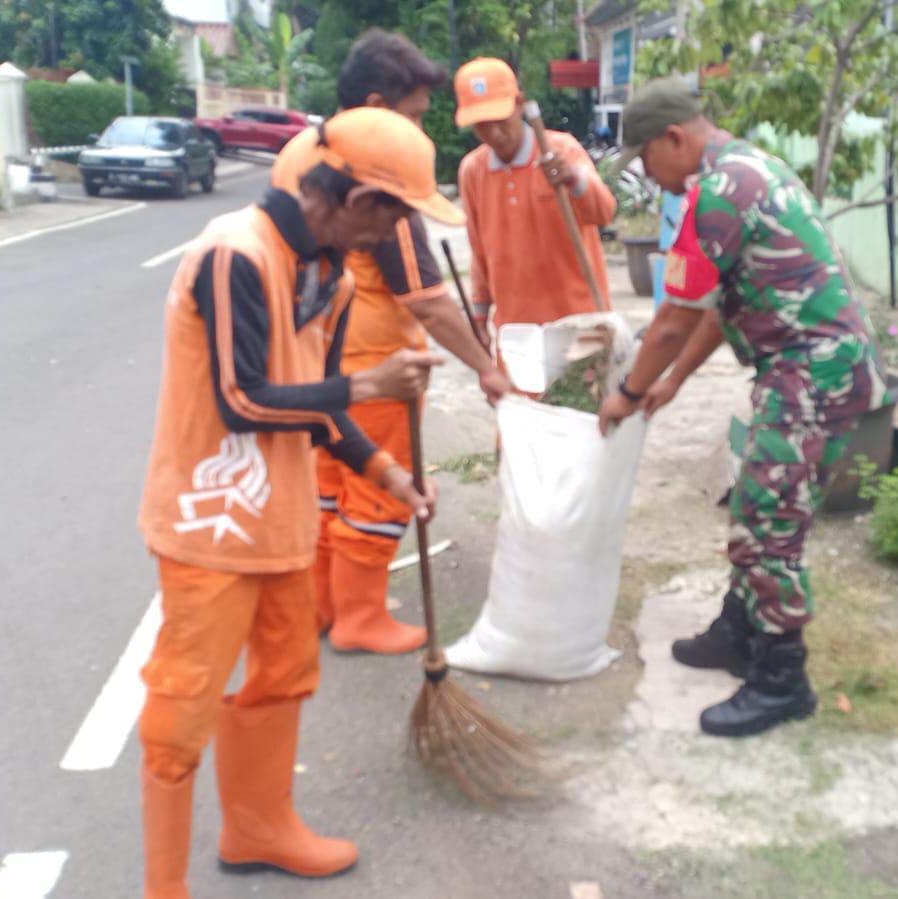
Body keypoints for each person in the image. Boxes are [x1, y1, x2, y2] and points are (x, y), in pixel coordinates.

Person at [135, 107, 463, 898]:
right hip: (209, 526)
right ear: (354, 199)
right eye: (396, 213)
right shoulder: (232, 255)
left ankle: (257, 827)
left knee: (284, 675)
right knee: (182, 711)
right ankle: (163, 886)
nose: (396, 232)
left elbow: (314, 407)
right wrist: (368, 382)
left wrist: (388, 474)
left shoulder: (333, 274)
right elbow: (244, 396)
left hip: (279, 523)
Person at [599, 78, 887, 738]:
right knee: (762, 507)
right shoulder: (748, 167)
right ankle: (738, 629)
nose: (647, 177)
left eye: (644, 159)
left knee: (766, 524)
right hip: (809, 369)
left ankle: (782, 679)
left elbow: (671, 318)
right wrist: (670, 381)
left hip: (811, 375)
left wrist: (631, 390)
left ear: (673, 137)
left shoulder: (717, 192)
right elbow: (711, 309)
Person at [271, 30, 510, 656]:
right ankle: (361, 616)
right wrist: (487, 367)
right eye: (410, 117)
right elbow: (426, 299)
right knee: (379, 493)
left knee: (327, 493)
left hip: (315, 365)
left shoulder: (301, 150)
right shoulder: (381, 179)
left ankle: (322, 605)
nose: (419, 137)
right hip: (376, 367)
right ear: (375, 105)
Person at [454, 57, 616, 349]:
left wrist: (572, 178)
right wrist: (478, 317)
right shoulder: (472, 171)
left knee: (581, 394)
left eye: (499, 121)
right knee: (519, 396)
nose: (494, 134)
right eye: (481, 126)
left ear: (519, 103)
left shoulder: (561, 150)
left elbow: (604, 212)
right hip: (517, 332)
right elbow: (479, 252)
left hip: (580, 323)